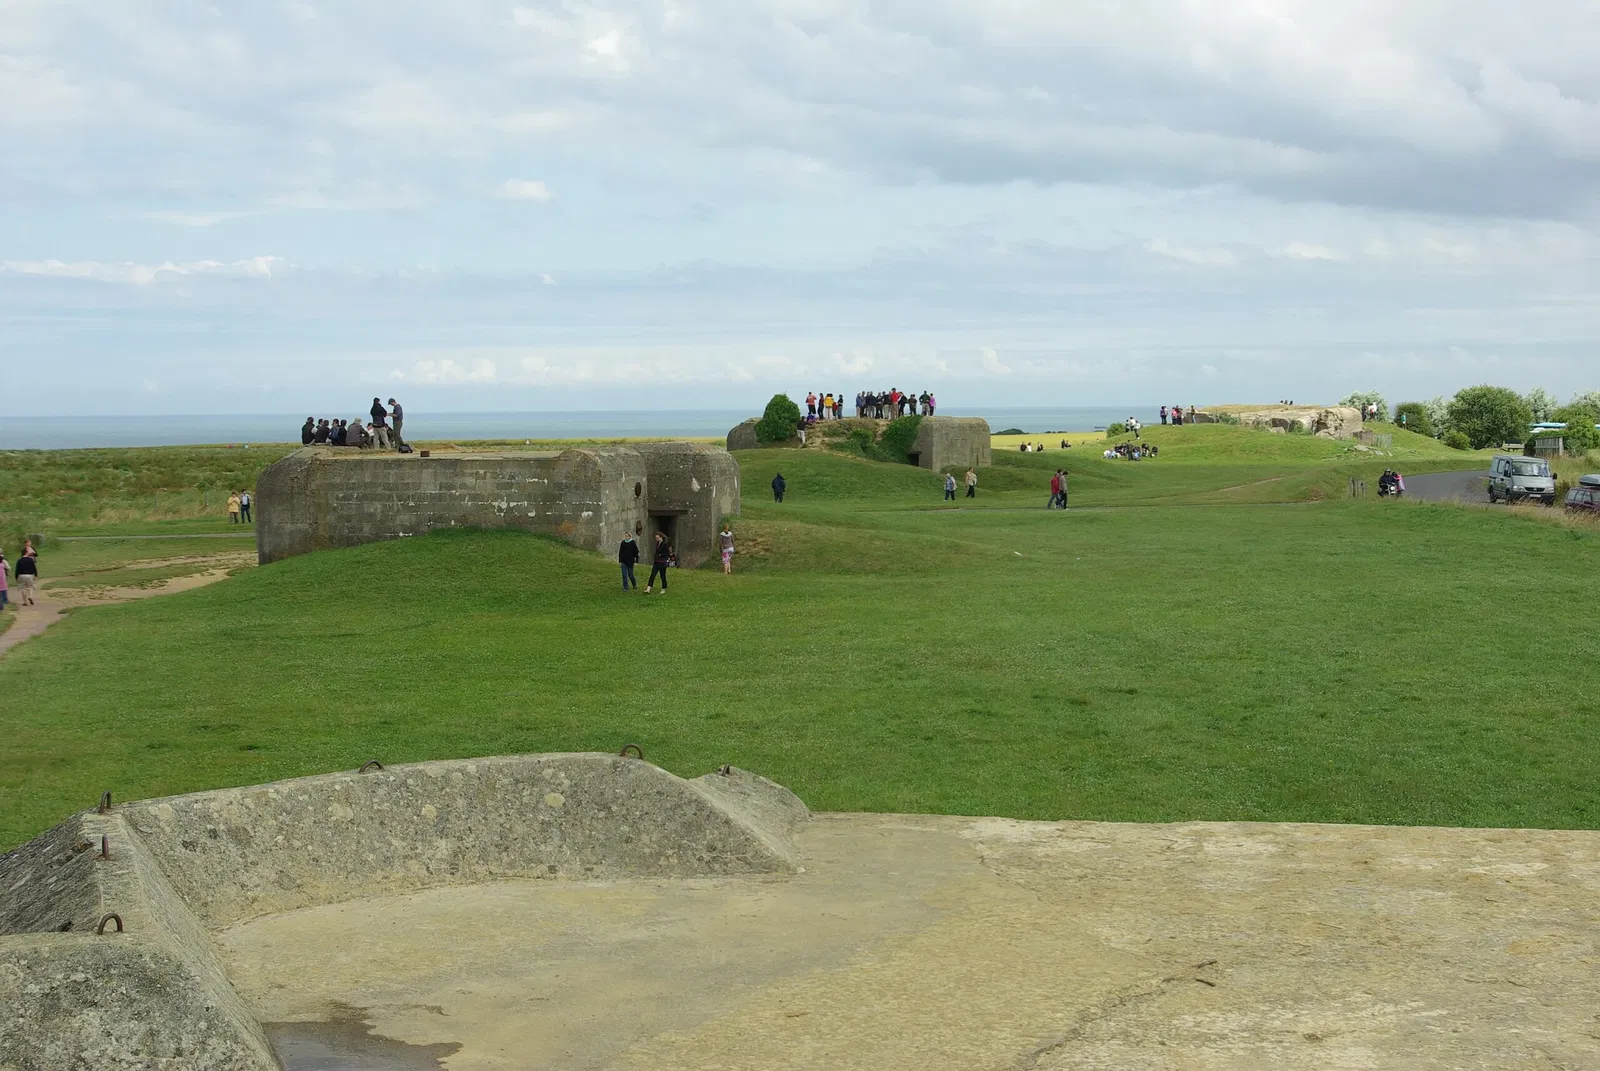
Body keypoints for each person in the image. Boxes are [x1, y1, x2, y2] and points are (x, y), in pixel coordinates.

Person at [645, 530, 672, 594]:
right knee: (652, 575)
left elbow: (667, 553)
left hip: (662, 562)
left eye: (657, 538)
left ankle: (663, 588)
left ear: (661, 537)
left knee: (662, 576)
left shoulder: (665, 544)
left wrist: (661, 555)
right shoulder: (657, 543)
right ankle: (648, 588)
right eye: (656, 538)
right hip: (656, 562)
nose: (656, 539)